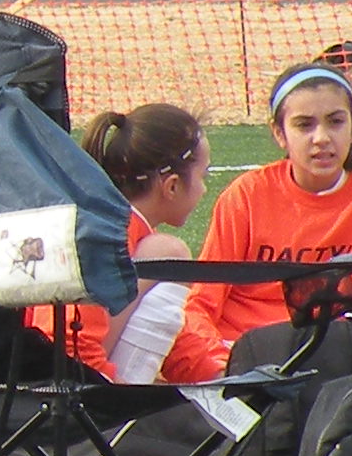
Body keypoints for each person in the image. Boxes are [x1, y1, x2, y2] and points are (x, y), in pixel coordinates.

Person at [184, 62, 352, 344]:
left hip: (329, 348)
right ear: (279, 133)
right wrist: (217, 362)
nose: (322, 138)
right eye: (304, 125)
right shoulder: (246, 195)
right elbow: (204, 300)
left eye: (335, 122)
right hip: (243, 347)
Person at [37, 104, 233, 385]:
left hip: (73, 382)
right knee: (168, 253)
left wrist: (222, 379)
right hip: (69, 393)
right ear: (172, 186)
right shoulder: (101, 235)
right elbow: (68, 347)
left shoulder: (124, 229)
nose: (204, 189)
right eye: (204, 176)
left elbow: (177, 336)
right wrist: (121, 395)